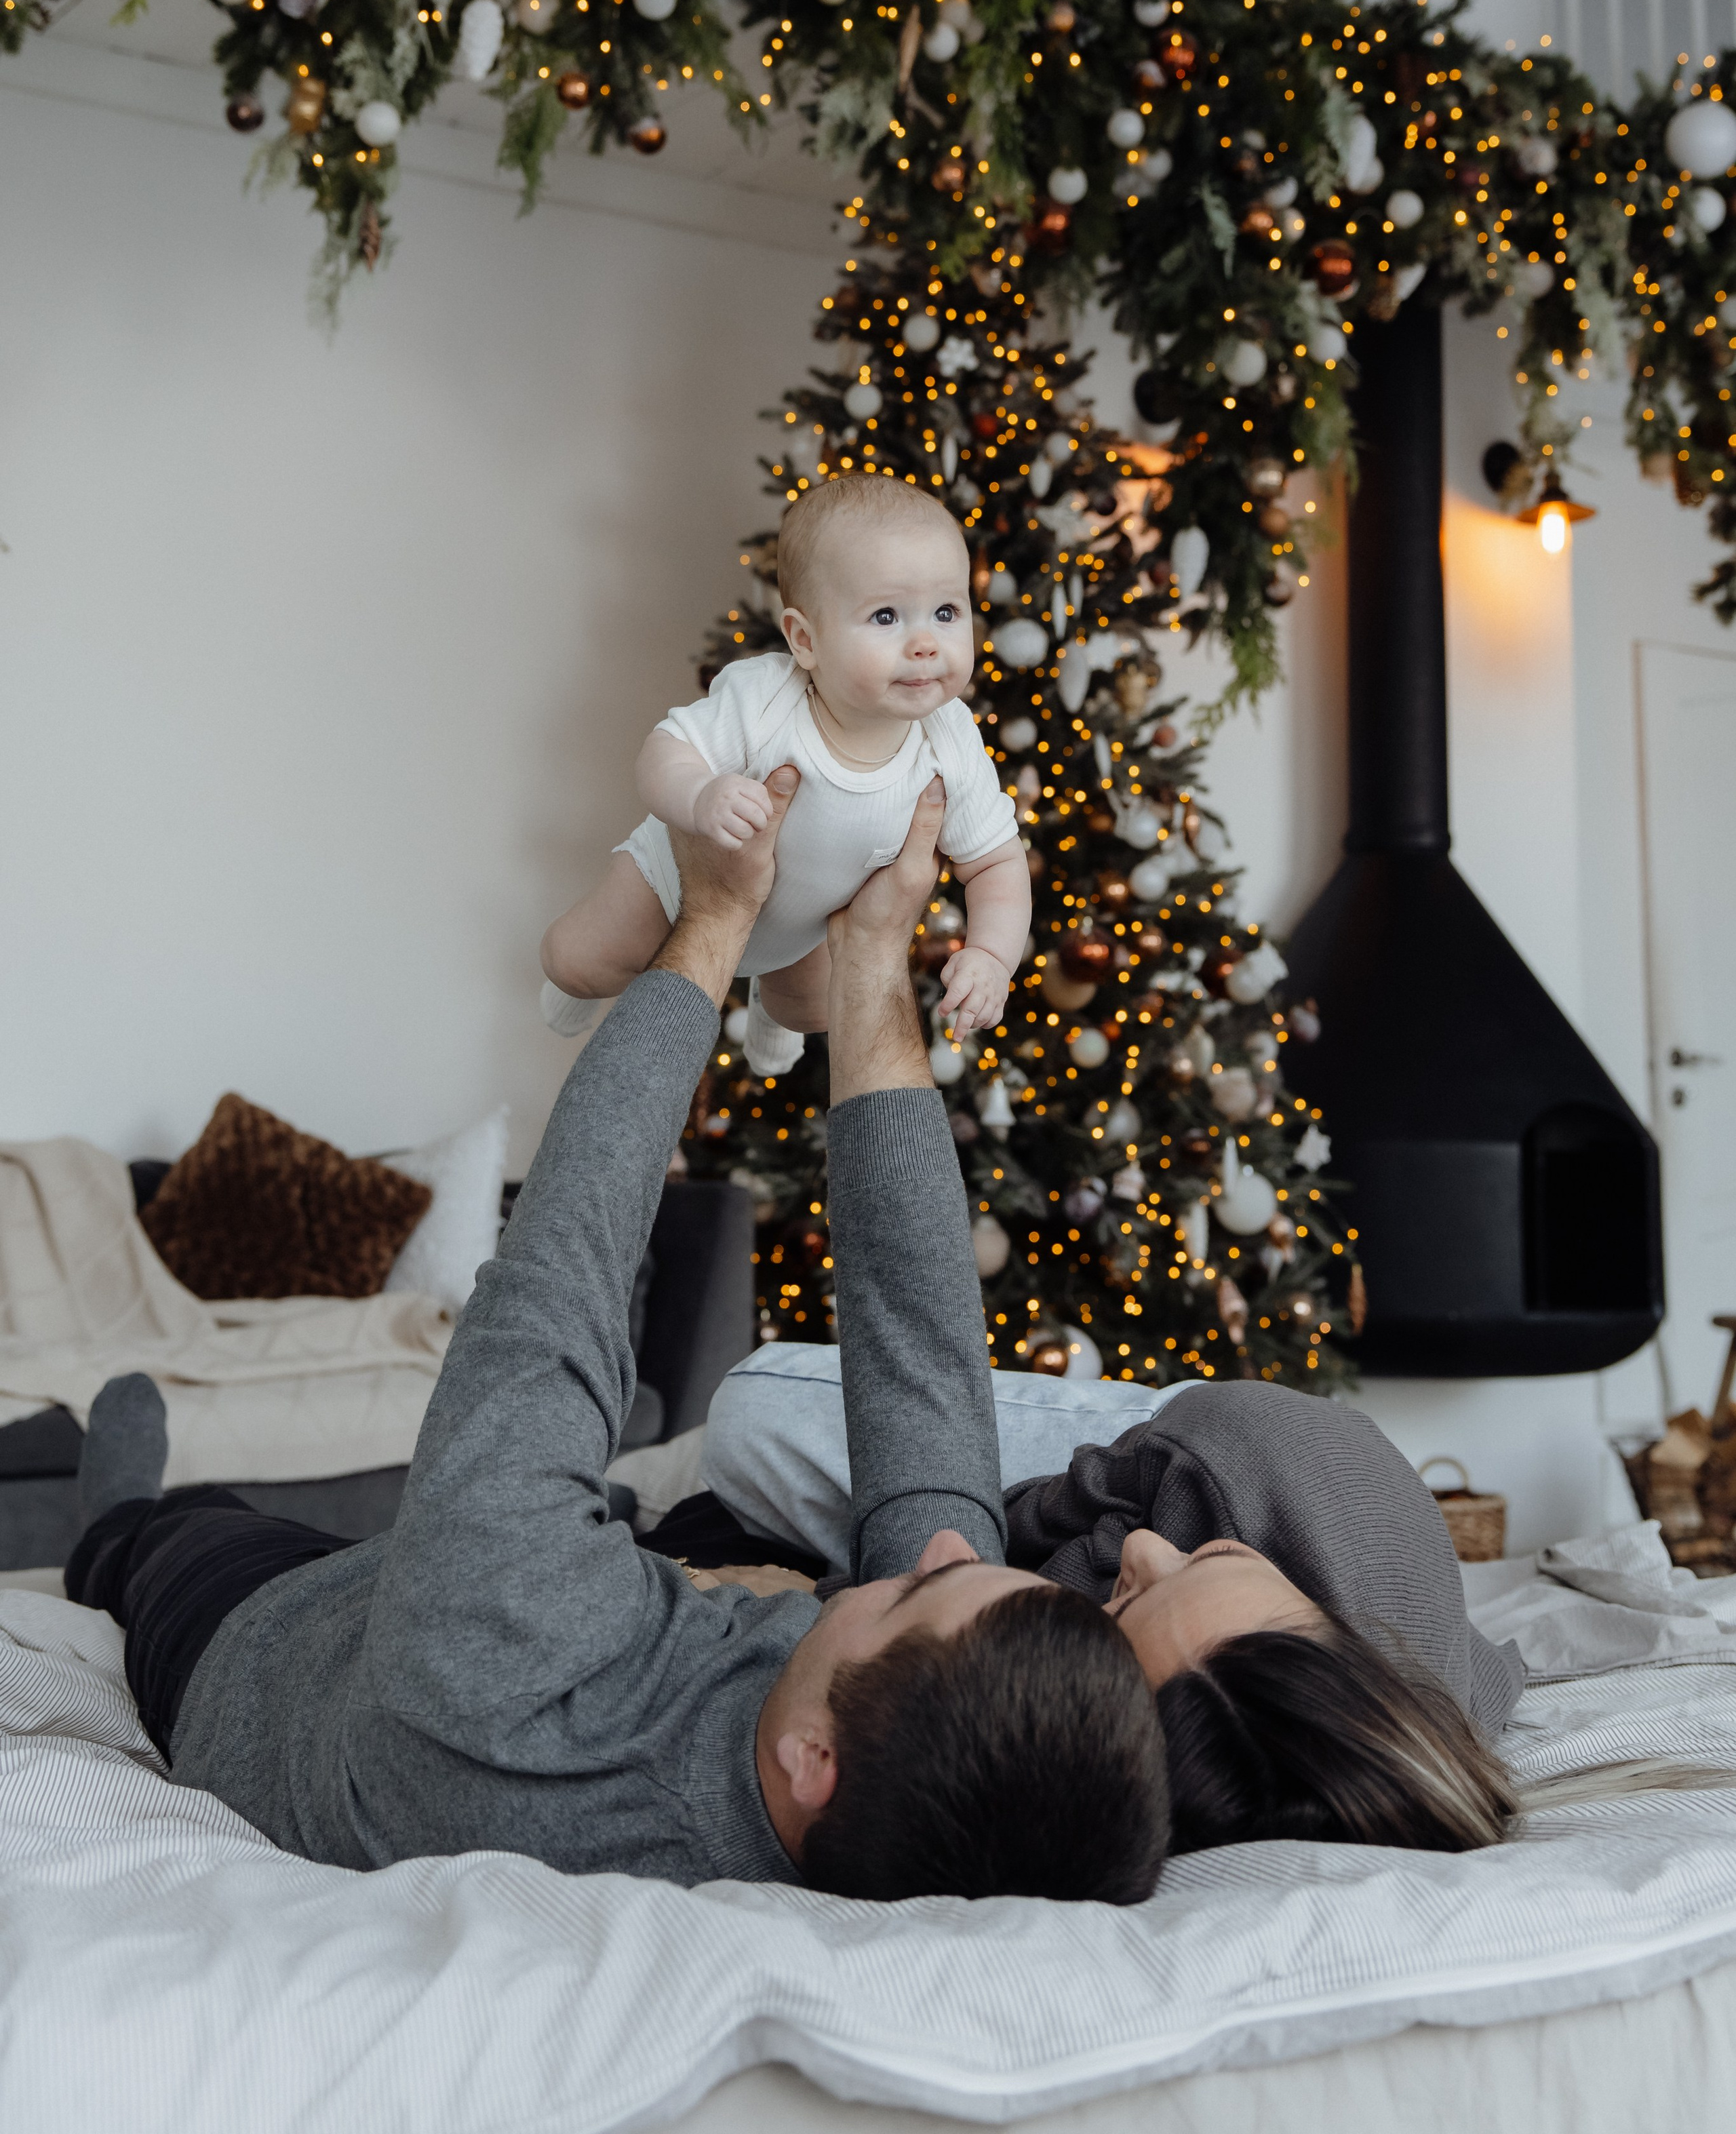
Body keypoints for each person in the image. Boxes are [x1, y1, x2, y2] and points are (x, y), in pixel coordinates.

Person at [66, 776, 1167, 1905]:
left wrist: (713, 921)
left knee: (174, 1538)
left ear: (815, 1765)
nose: (941, 1553)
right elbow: (919, 1357)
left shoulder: (521, 1657)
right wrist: (874, 957)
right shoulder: (909, 1783)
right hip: (474, 1607)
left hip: (270, 1652)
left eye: (911, 1595)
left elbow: (558, 1278)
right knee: (534, 1541)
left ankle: (113, 1526)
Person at [701, 1343, 1526, 1856]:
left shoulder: (1254, 1774)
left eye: (1120, 1605)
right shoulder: (1226, 1475)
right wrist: (866, 1595)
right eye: (1212, 1560)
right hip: (1196, 1436)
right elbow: (988, 1539)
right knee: (749, 1417)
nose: (1142, 1552)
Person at [538, 476, 1029, 1075]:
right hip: (675, 885)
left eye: (946, 611)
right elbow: (665, 751)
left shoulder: (949, 739)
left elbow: (997, 863)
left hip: (804, 926)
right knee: (577, 961)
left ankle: (770, 1011)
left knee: (813, 1010)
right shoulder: (766, 698)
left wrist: (992, 956)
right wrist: (700, 794)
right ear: (805, 639)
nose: (926, 642)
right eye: (886, 616)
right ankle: (575, 990)